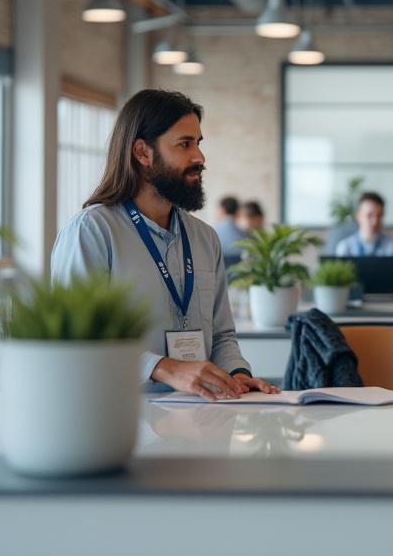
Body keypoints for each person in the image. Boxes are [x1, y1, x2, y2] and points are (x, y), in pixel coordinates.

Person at [51, 89, 279, 401]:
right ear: (142, 153)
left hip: (204, 417)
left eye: (198, 144)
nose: (199, 157)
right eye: (184, 144)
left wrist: (237, 375)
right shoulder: (91, 232)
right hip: (121, 420)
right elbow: (75, 339)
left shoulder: (204, 238)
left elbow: (223, 335)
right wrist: (163, 367)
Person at [334, 191, 393, 259]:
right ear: (358, 216)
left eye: (379, 215)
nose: (375, 221)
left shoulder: (392, 246)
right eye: (369, 215)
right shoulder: (345, 247)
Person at [215, 195, 248, 271]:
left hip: (218, 277)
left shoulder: (211, 233)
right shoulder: (246, 236)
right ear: (238, 211)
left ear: (222, 210)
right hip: (240, 278)